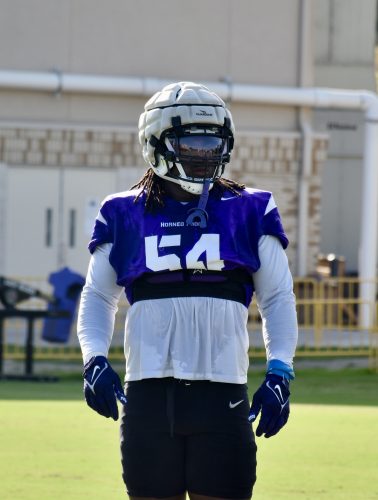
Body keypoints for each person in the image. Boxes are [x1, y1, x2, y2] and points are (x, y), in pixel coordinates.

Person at [77, 81, 298, 500]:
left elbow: (277, 299)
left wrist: (280, 370)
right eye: (192, 142)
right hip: (148, 394)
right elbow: (98, 296)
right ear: (156, 142)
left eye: (214, 143)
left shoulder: (251, 208)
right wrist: (94, 361)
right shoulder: (122, 211)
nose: (205, 153)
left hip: (222, 394)